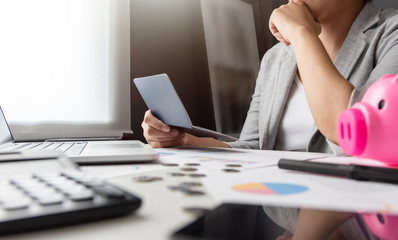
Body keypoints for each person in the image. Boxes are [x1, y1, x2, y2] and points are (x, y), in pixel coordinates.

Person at [141, 0, 398, 238]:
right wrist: (186, 141)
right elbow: (253, 147)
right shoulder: (276, 58)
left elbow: (357, 134)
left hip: (360, 213)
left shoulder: (390, 33)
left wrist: (301, 34)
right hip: (283, 210)